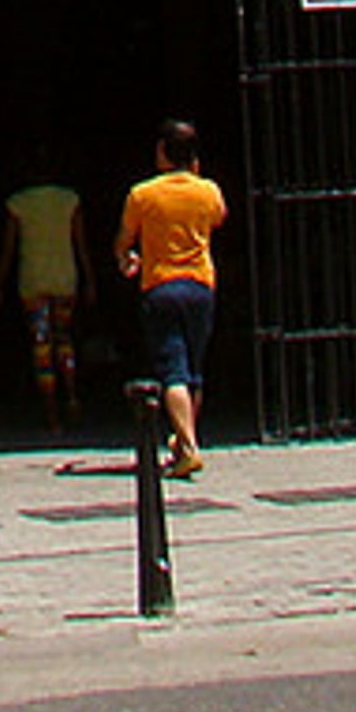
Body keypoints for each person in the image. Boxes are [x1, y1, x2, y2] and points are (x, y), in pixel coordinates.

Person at [117, 120, 226, 479]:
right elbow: (217, 220)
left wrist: (129, 259)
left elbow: (124, 242)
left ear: (163, 152)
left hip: (161, 286)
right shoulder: (208, 191)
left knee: (172, 371)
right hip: (200, 286)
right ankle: (184, 441)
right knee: (193, 370)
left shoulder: (143, 194)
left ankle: (188, 447)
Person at [0, 170, 91, 430]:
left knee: (41, 346)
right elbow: (81, 244)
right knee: (65, 339)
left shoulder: (18, 203)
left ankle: (51, 411)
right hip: (65, 277)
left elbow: (9, 248)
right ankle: (72, 394)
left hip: (33, 279)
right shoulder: (70, 200)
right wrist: (90, 279)